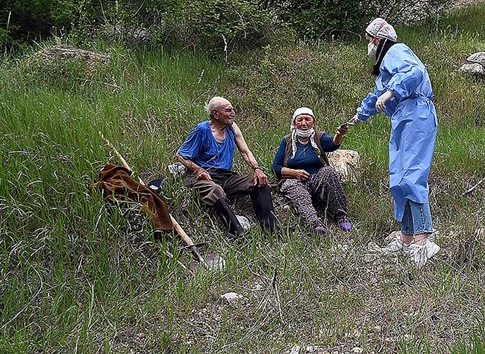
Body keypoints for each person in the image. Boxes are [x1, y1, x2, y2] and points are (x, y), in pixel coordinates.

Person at [348, 18, 440, 267]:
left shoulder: (396, 51)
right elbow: (377, 95)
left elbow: (414, 72)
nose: (368, 46)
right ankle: (407, 238)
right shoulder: (385, 69)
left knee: (412, 175)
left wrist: (392, 91)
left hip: (416, 113)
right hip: (402, 118)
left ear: (378, 39)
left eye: (369, 41)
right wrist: (359, 115)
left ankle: (424, 242)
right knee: (398, 179)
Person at [176, 96, 280, 237]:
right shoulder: (202, 129)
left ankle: (272, 229)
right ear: (215, 113)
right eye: (228, 110)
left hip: (225, 175)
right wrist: (198, 169)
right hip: (201, 176)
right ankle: (237, 232)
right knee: (215, 189)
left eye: (233, 109)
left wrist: (257, 169)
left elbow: (245, 151)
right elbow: (181, 155)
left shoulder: (232, 128)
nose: (233, 113)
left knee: (259, 182)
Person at [271, 107, 353, 235]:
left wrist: (339, 134)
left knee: (328, 171)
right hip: (294, 181)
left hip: (317, 179)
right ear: (294, 123)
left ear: (313, 122)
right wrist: (295, 173)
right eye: (300, 120)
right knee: (293, 187)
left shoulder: (319, 137)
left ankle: (340, 216)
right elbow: (275, 167)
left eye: (307, 119)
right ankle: (314, 223)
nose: (304, 123)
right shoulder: (287, 141)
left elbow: (332, 144)